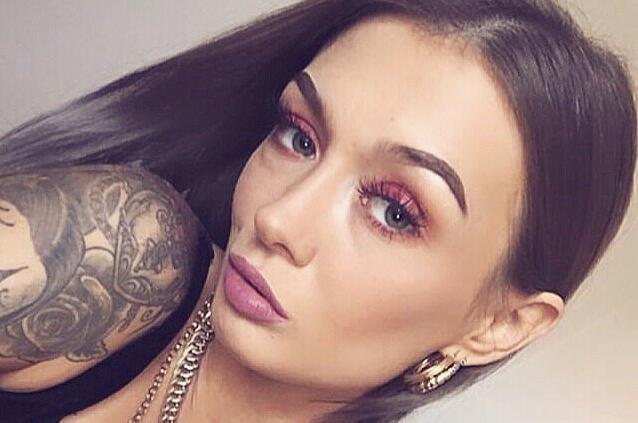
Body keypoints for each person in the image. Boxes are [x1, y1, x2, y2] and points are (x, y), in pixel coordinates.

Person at [0, 0, 635, 422]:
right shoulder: (118, 249)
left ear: (500, 324)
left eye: (394, 211)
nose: (278, 219)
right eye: (299, 137)